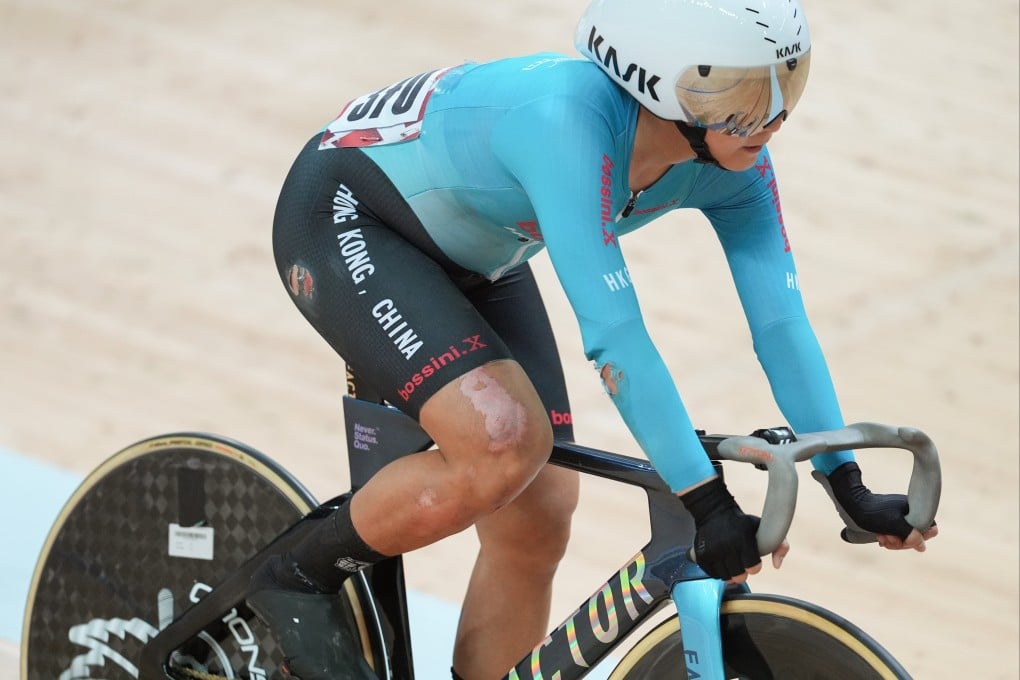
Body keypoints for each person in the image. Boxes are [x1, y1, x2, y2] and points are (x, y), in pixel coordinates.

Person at [247, 0, 939, 677]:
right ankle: (294, 575)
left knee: (540, 515)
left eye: (786, 82)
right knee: (501, 446)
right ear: (656, 79)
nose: (772, 116)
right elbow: (614, 334)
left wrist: (844, 478)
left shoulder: (736, 163)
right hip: (350, 216)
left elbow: (781, 325)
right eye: (740, 90)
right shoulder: (567, 123)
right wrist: (703, 497)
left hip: (485, 249)